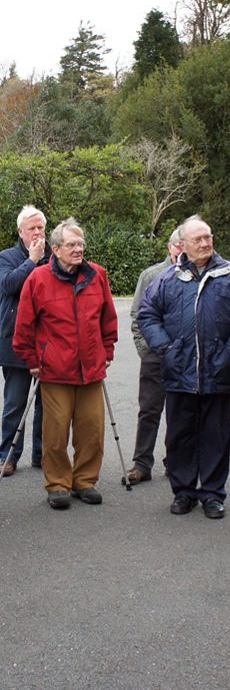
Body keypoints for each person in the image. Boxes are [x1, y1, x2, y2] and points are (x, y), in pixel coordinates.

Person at [137, 215, 230, 520]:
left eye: (208, 237)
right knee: (180, 434)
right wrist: (167, 349)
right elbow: (147, 314)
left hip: (218, 371)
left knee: (215, 435)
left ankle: (212, 494)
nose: (205, 243)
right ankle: (183, 491)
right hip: (179, 371)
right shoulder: (168, 279)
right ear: (184, 245)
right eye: (198, 239)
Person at [13, 218, 118, 510]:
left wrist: (107, 347)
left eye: (81, 244)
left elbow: (108, 317)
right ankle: (58, 484)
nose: (78, 249)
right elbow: (24, 326)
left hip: (91, 369)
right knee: (56, 432)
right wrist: (32, 359)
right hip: (55, 370)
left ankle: (85, 481)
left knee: (91, 431)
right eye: (72, 244)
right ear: (55, 249)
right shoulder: (37, 279)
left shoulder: (98, 275)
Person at [125, 229, 185, 485]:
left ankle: (175, 461)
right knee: (149, 410)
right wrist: (144, 349)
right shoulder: (151, 275)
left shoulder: (199, 275)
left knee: (180, 411)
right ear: (170, 247)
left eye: (187, 246)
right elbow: (137, 315)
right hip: (154, 356)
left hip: (184, 357)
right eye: (178, 246)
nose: (182, 251)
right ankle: (141, 464)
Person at [0, 205, 51, 476]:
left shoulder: (55, 256)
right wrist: (31, 260)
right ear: (21, 232)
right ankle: (8, 456)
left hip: (48, 343)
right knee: (15, 404)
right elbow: (9, 286)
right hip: (15, 342)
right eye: (31, 228)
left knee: (47, 404)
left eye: (41, 227)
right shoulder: (7, 257)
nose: (37, 232)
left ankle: (41, 455)